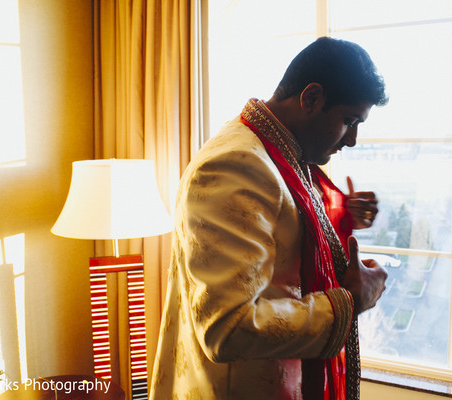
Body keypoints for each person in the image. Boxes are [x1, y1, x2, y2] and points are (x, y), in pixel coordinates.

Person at [149, 37, 389, 400]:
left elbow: (287, 234)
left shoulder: (279, 153)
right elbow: (229, 328)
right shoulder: (235, 166)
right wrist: (350, 302)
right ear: (311, 99)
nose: (352, 139)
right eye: (348, 120)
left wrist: (345, 215)